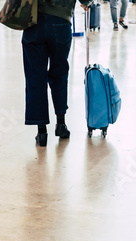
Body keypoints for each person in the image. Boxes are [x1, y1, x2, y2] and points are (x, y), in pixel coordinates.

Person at [22, 0, 93, 146]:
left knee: (35, 78)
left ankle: (41, 132)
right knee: (59, 73)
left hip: (33, 21)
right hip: (61, 23)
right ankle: (61, 124)